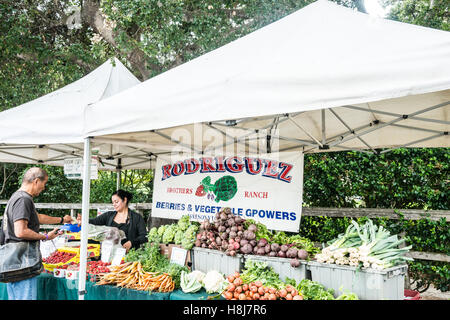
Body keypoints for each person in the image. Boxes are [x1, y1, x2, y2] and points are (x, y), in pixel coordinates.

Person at [3, 167, 72, 300]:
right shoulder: (23, 200)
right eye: (44, 183)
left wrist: (62, 220)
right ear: (36, 181)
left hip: (14, 263)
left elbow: (37, 217)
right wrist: (45, 236)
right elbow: (20, 231)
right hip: (23, 263)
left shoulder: (17, 197)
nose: (44, 188)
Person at [77, 189, 147, 252]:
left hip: (129, 254)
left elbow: (144, 236)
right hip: (109, 253)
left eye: (116, 202)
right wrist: (83, 220)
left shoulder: (136, 217)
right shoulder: (109, 215)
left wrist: (131, 242)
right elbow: (94, 221)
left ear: (125, 200)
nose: (114, 204)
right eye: (113, 202)